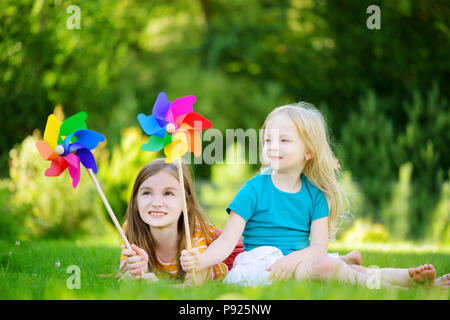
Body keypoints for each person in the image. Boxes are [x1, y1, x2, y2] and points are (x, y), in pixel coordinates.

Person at [181, 103, 450, 289]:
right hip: (264, 266)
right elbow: (228, 241)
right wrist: (201, 260)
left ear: (308, 152)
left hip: (300, 261)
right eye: (268, 140)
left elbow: (318, 247)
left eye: (284, 140)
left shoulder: (315, 195)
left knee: (350, 271)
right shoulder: (253, 189)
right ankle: (399, 291)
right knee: (332, 268)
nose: (274, 146)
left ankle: (411, 279)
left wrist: (293, 259)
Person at [119, 158, 241, 284]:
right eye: (147, 193)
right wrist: (135, 273)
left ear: (186, 203)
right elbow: (124, 275)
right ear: (135, 202)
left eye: (168, 193)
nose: (156, 203)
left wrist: (157, 286)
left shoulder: (195, 232)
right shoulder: (131, 228)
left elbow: (194, 283)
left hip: (228, 256)